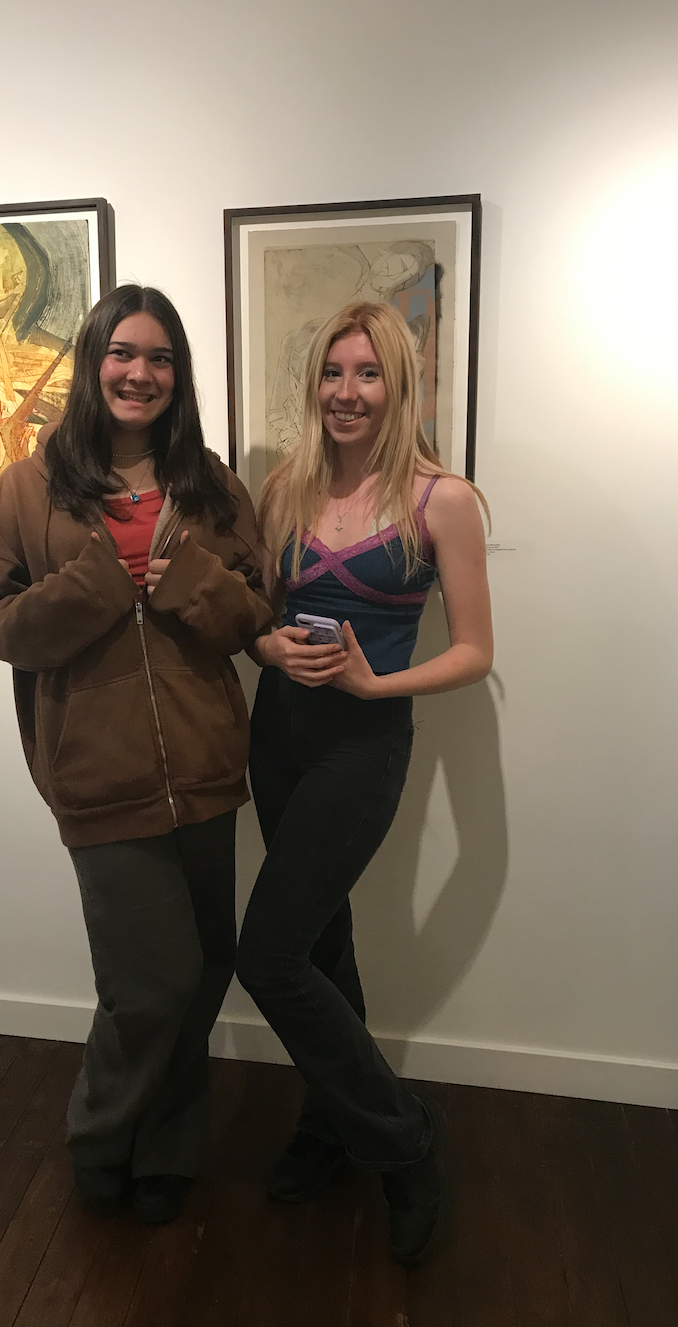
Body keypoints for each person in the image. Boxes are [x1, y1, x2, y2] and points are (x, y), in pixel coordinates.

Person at [0, 284, 272, 1225]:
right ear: (93, 361)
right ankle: (102, 1137)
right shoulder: (28, 487)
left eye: (160, 358)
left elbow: (254, 611)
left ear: (179, 375)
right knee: (151, 982)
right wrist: (98, 586)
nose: (141, 373)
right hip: (98, 774)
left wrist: (192, 583)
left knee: (206, 967)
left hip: (207, 765)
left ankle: (167, 1147)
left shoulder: (210, 485)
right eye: (123, 353)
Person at [237, 300, 493, 1264]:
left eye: (368, 374)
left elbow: (474, 650)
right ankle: (331, 1126)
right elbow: (259, 619)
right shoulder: (285, 489)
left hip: (362, 744)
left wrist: (378, 683)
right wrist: (267, 646)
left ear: (399, 385)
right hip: (280, 736)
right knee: (320, 945)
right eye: (333, 373)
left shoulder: (442, 501)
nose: (347, 393)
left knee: (267, 957)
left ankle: (402, 1141)